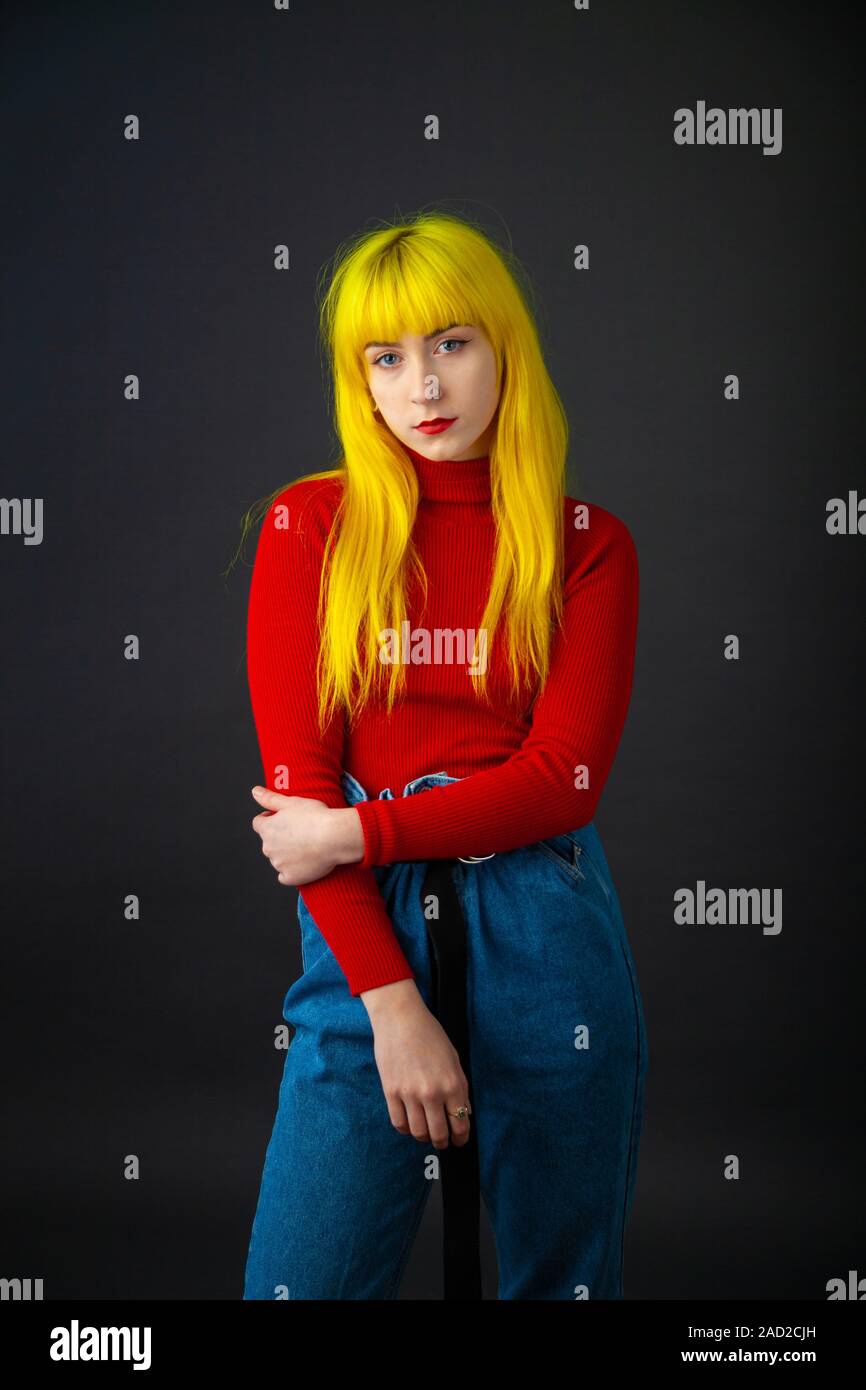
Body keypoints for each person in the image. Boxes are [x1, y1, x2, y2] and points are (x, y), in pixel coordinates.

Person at [236, 210, 649, 1300]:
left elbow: (563, 778)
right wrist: (389, 1006)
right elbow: (298, 804)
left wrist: (359, 828)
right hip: (363, 933)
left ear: (503, 349)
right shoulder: (306, 529)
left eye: (450, 344)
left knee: (561, 1284)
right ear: (358, 379)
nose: (422, 387)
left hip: (544, 930)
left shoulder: (584, 542)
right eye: (388, 357)